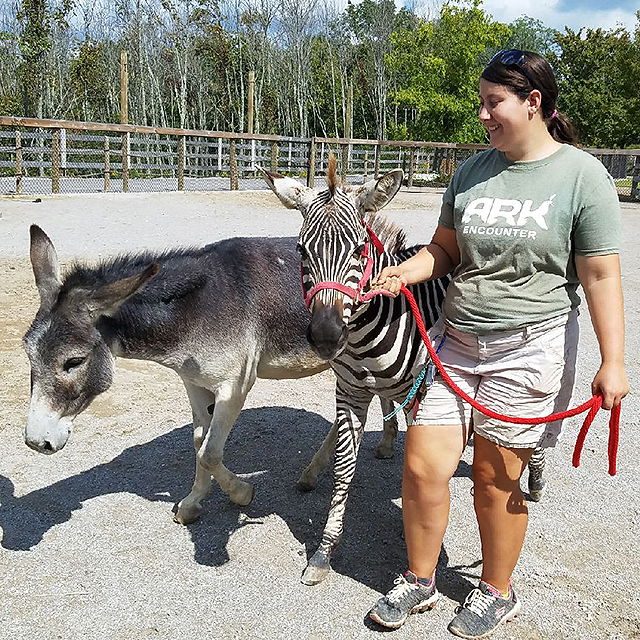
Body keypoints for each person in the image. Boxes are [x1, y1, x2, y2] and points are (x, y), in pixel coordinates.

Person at [368, 50, 629, 638]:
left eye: (494, 103)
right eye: (481, 103)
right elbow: (445, 251)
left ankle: (495, 591)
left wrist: (613, 361)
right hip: (456, 340)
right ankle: (419, 579)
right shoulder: (470, 173)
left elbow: (600, 275)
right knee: (421, 466)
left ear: (532, 104)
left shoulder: (582, 176)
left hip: (530, 345)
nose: (483, 115)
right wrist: (405, 271)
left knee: (494, 476)